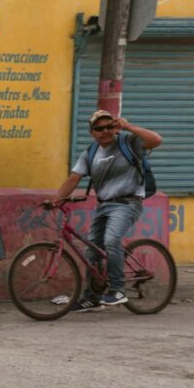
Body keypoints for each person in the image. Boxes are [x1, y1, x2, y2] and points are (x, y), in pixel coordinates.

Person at [53, 109, 163, 312]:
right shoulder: (91, 153)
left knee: (111, 240)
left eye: (109, 126)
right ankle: (92, 298)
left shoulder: (129, 143)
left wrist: (128, 126)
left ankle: (118, 289)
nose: (105, 131)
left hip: (127, 203)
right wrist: (55, 201)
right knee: (92, 250)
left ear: (116, 127)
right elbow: (73, 178)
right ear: (92, 132)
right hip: (104, 205)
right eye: (99, 128)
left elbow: (156, 140)